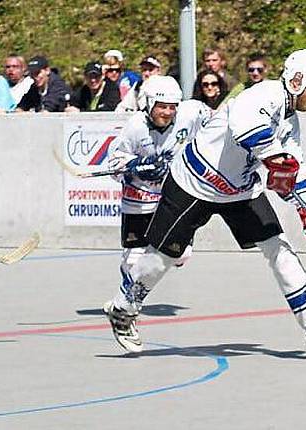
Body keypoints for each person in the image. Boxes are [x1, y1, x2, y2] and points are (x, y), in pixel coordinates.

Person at [102, 49, 306, 355]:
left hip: (240, 191)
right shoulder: (261, 95)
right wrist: (276, 159)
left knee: (279, 247)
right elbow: (247, 130)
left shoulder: (290, 121)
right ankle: (123, 308)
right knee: (161, 259)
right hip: (194, 183)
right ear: (298, 80)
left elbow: (295, 167)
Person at [105, 76, 210, 341]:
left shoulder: (191, 112)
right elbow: (114, 161)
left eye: (172, 106)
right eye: (162, 106)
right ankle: (125, 309)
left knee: (181, 254)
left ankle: (126, 299)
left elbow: (216, 123)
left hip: (172, 197)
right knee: (133, 259)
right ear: (148, 104)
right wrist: (136, 166)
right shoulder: (134, 128)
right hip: (138, 199)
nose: (168, 112)